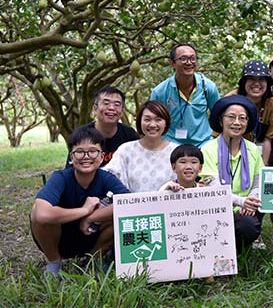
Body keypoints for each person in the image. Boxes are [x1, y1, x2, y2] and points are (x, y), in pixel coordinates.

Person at [31, 127, 130, 278]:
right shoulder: (61, 178)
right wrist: (84, 211)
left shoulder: (106, 178)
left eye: (92, 151)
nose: (86, 156)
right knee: (37, 213)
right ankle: (54, 262)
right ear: (71, 156)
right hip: (59, 239)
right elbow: (42, 214)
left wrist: (91, 217)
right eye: (79, 151)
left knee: (118, 218)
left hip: (91, 236)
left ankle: (92, 261)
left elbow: (129, 204)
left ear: (102, 156)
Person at [200, 95, 264, 252]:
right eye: (231, 117)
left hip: (246, 209)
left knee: (248, 226)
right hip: (216, 209)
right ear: (221, 121)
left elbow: (259, 181)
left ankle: (239, 250)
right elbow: (213, 187)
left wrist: (251, 201)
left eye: (242, 118)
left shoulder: (252, 149)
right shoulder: (208, 149)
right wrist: (241, 201)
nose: (237, 122)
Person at [151, 43, 220, 147]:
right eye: (183, 59)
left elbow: (218, 115)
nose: (189, 62)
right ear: (172, 63)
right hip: (171, 144)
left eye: (192, 58)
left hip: (203, 144)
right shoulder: (160, 92)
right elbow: (153, 121)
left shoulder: (208, 87)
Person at [103, 101, 178, 192]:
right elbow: (108, 177)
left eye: (158, 120)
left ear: (166, 123)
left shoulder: (177, 151)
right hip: (131, 205)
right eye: (147, 119)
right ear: (139, 122)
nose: (153, 125)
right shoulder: (126, 150)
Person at [226, 60, 273, 166]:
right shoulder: (230, 99)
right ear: (244, 82)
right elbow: (220, 134)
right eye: (251, 79)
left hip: (261, 149)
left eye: (261, 79)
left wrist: (263, 167)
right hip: (231, 147)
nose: (256, 84)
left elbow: (269, 137)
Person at [66, 87, 138, 167]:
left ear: (122, 111)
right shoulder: (82, 135)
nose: (111, 108)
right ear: (95, 109)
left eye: (117, 104)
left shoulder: (130, 135)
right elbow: (70, 170)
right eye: (106, 103)